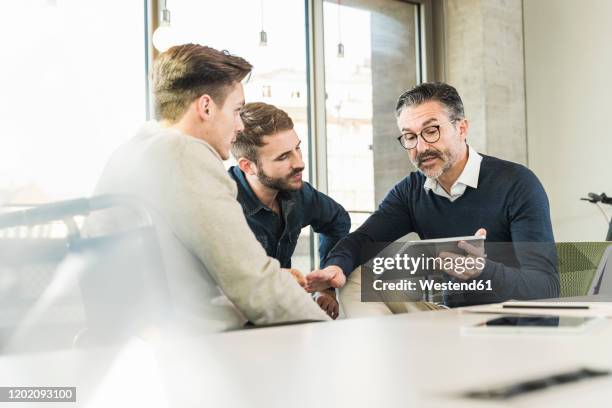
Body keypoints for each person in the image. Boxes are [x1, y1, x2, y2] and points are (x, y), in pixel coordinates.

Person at [88, 44, 330, 333]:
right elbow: (254, 284)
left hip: (137, 336)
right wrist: (328, 331)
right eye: (237, 110)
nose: (240, 125)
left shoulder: (129, 153)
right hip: (198, 347)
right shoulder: (183, 153)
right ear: (206, 107)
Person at [306, 82, 559, 311]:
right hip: (453, 320)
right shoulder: (411, 191)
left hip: (513, 321)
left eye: (431, 131)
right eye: (410, 136)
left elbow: (545, 287)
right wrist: (335, 268)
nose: (422, 147)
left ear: (462, 128)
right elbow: (363, 239)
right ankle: (380, 357)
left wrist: (484, 270)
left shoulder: (517, 183)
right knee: (354, 276)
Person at [229, 102, 351, 319]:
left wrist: (326, 286)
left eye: (297, 148)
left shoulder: (297, 192)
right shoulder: (222, 202)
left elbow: (337, 220)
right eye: (283, 157)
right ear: (248, 166)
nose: (300, 163)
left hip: (285, 316)